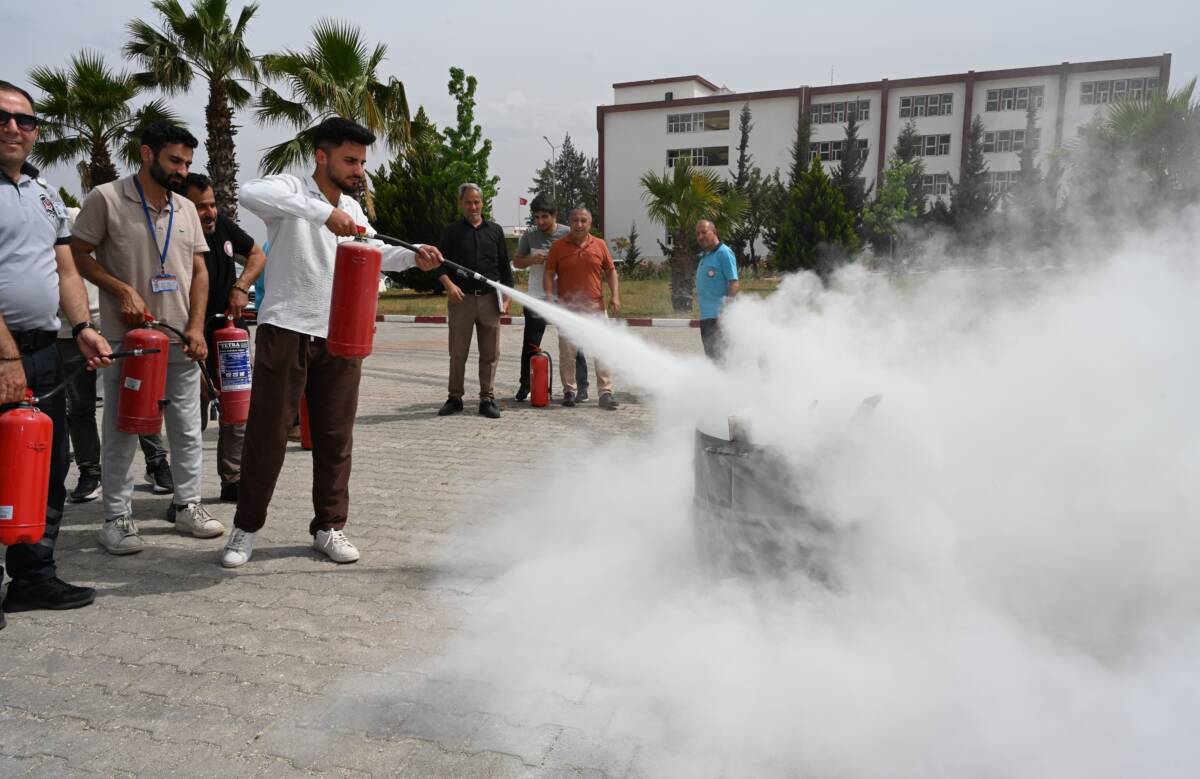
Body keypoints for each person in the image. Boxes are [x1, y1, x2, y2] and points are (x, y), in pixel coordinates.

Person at [222, 116, 443, 568]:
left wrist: (413, 257)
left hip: (340, 336)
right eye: (349, 160)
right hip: (286, 328)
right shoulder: (290, 188)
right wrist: (324, 213)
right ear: (321, 157)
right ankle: (245, 529)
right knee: (267, 436)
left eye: (361, 161)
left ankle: (329, 527)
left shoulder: (355, 211)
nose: (358, 169)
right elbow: (247, 193)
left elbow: (374, 250)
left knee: (335, 437)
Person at [72, 121, 223, 555]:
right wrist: (121, 289)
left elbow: (199, 271)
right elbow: (79, 256)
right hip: (129, 344)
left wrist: (196, 327)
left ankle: (188, 505)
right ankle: (116, 518)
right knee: (122, 426)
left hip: (178, 338)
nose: (181, 170)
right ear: (145, 153)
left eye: (188, 163)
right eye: (174, 160)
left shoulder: (186, 207)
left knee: (187, 427)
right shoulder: (105, 198)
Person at [0, 80, 110, 624]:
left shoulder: (42, 191)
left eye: (25, 120)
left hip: (44, 351)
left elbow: (65, 267)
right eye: (2, 117)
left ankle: (33, 578)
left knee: (46, 462)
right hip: (3, 353)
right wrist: (5, 356)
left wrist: (83, 326)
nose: (14, 128)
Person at [56, 210, 174, 504]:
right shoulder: (39, 221)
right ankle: (89, 471)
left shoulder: (78, 215)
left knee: (137, 397)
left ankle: (157, 462)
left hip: (111, 323)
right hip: (67, 331)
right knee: (80, 407)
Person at [178, 172, 266, 503]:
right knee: (190, 418)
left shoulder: (225, 228)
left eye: (212, 205)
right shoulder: (174, 237)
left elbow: (257, 255)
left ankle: (233, 480)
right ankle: (184, 492)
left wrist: (240, 287)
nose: (210, 213)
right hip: (190, 338)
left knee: (238, 409)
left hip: (231, 336)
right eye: (201, 207)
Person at [433, 183, 512, 419]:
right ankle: (455, 397)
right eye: (468, 202)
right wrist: (449, 285)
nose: (473, 206)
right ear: (461, 204)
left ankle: (487, 399)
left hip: (490, 301)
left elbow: (505, 269)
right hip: (461, 301)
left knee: (490, 353)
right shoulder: (452, 232)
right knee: (458, 352)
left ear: (483, 202)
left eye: (477, 202)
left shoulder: (495, 231)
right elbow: (438, 264)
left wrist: (506, 299)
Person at [511, 193, 588, 402]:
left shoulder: (568, 233)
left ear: (554, 215)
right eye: (536, 217)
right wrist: (531, 260)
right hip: (537, 297)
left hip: (564, 297)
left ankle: (581, 387)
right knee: (531, 344)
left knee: (574, 343)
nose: (540, 222)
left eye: (544, 216)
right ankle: (525, 385)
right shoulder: (529, 235)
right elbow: (517, 262)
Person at [543, 207, 621, 410]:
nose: (579, 224)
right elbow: (549, 273)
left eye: (583, 221)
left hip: (595, 309)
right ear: (570, 222)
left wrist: (615, 296)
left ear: (590, 223)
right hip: (567, 310)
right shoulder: (558, 247)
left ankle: (605, 393)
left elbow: (611, 271)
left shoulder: (600, 245)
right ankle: (569, 391)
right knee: (567, 353)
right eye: (575, 220)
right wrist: (550, 298)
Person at [694, 220, 739, 359]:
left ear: (714, 232)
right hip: (706, 318)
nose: (700, 236)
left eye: (704, 232)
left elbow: (734, 283)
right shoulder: (704, 257)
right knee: (713, 360)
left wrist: (724, 312)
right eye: (697, 234)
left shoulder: (723, 253)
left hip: (718, 319)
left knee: (723, 360)